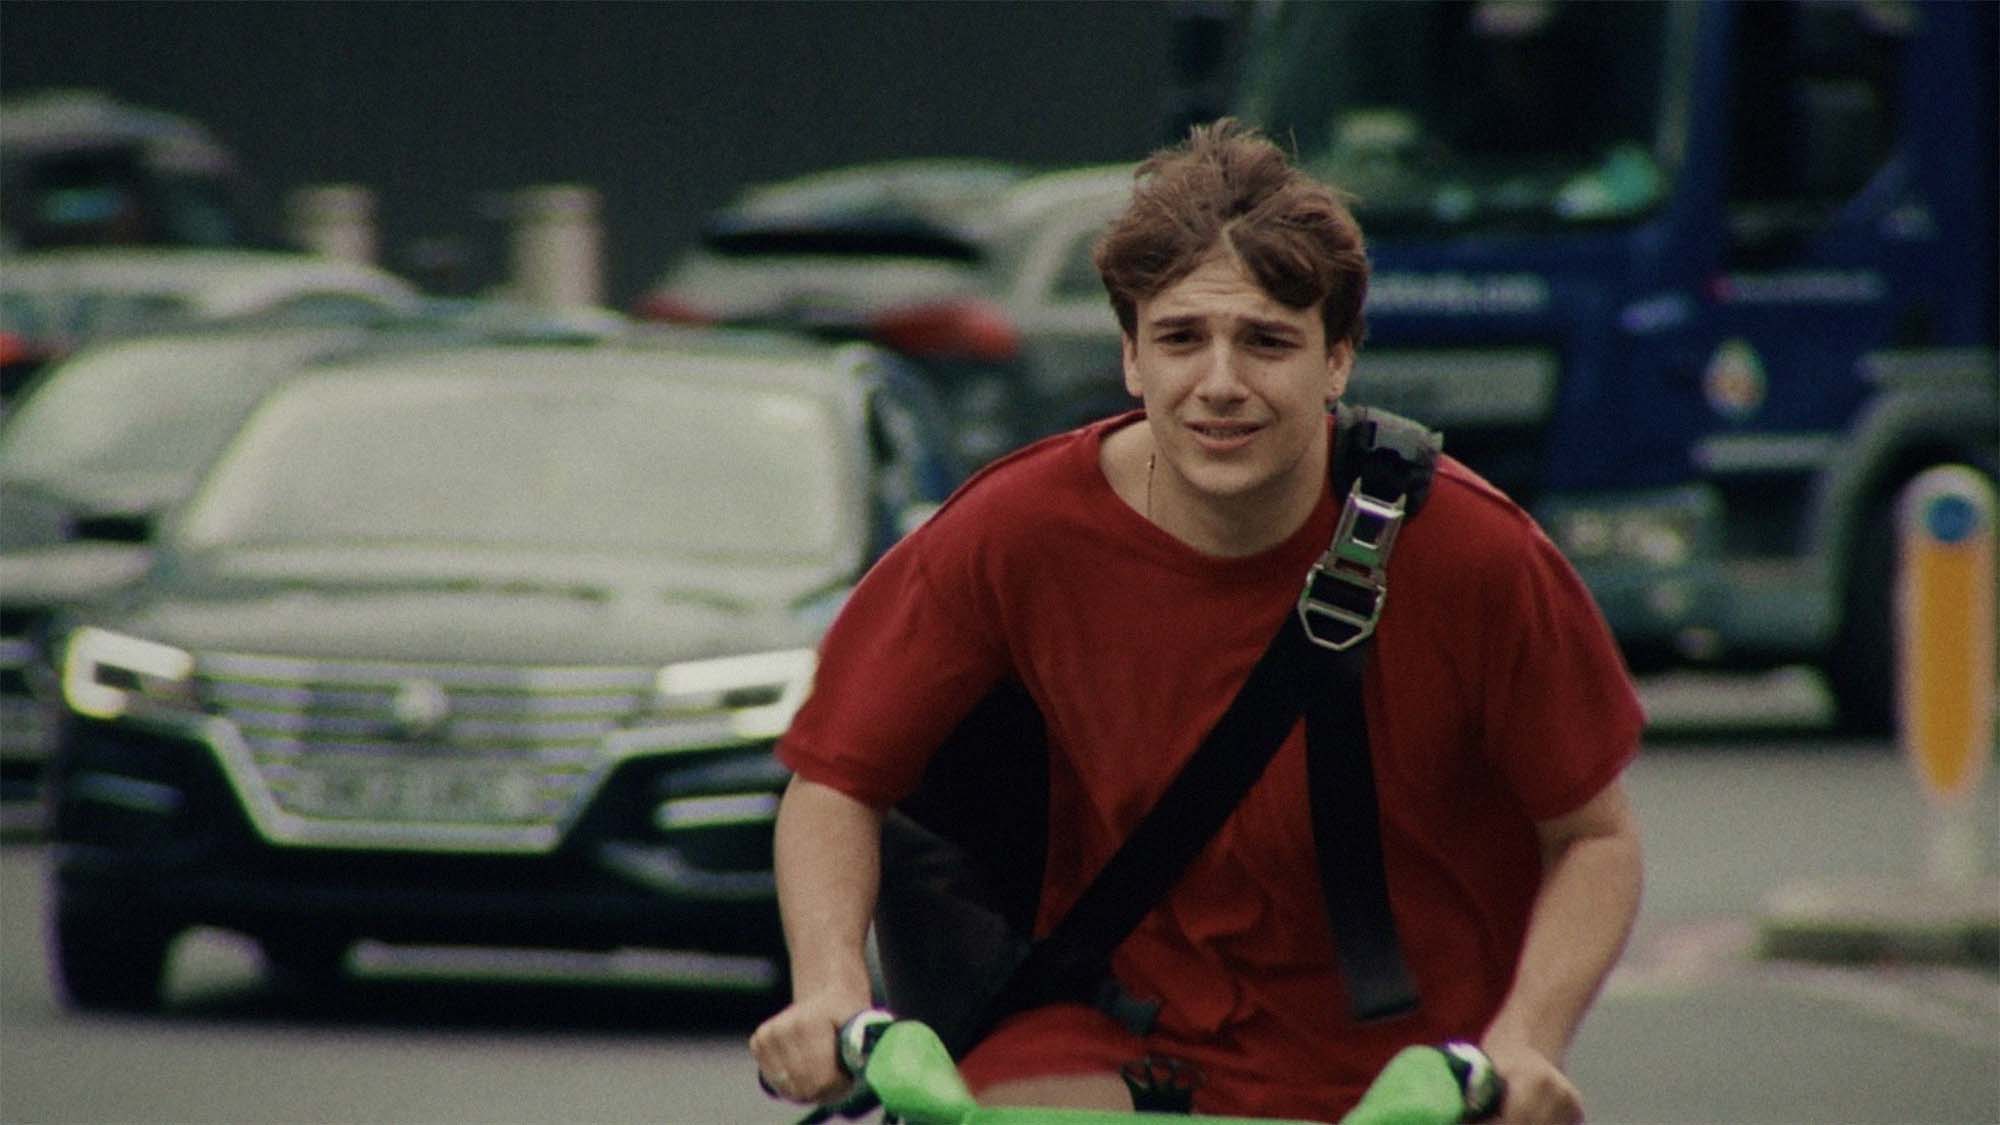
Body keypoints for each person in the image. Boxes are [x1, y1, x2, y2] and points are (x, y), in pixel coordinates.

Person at [749, 118, 1643, 1125]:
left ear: (1337, 360)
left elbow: (1593, 838)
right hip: (1109, 1041)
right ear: (1130, 356)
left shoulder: (1478, 556)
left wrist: (1524, 1043)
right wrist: (827, 986)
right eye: (1180, 338)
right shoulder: (1015, 531)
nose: (1219, 383)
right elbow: (833, 778)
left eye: (1265, 340)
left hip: (1392, 1082)